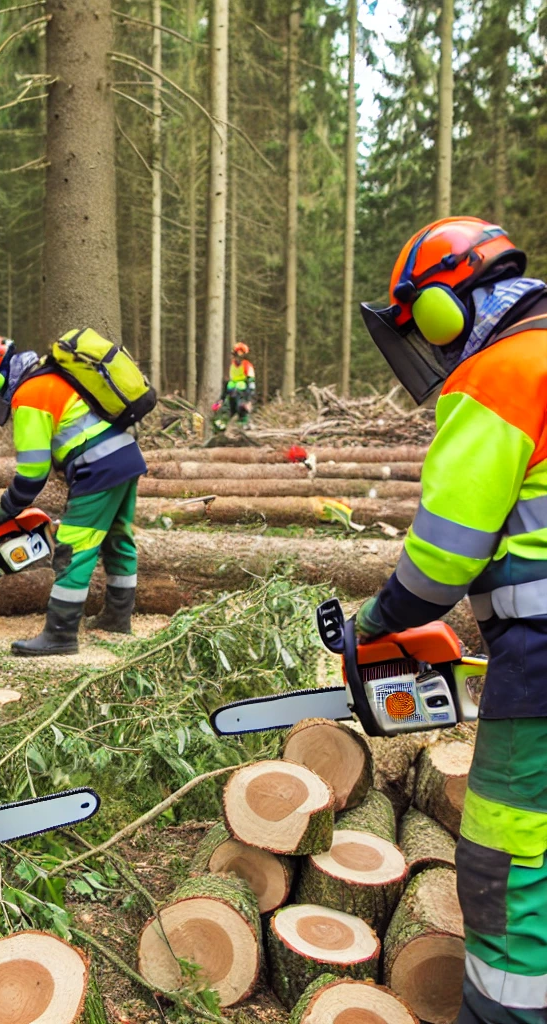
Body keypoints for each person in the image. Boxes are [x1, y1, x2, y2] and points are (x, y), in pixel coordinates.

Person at [356, 216, 547, 1024]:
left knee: (507, 854)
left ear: (442, 308)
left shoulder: (504, 373)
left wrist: (376, 625)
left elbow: (444, 557)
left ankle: (501, 1010)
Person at [0, 332, 147, 655]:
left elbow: (32, 475)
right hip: (126, 457)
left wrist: (0, 513)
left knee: (73, 548)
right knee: (118, 540)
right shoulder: (49, 373)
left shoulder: (28, 394)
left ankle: (60, 634)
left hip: (98, 467)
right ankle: (118, 618)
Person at [223, 342, 255, 425]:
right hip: (231, 390)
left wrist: (249, 397)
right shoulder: (232, 365)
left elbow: (251, 380)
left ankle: (244, 423)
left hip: (243, 391)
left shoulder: (247, 365)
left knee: (242, 408)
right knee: (229, 408)